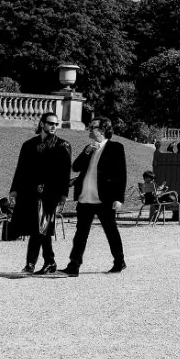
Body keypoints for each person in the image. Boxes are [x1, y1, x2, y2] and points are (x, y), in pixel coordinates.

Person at [10, 111, 72, 274]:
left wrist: (63, 196)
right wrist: (14, 190)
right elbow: (21, 169)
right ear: (42, 124)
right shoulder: (28, 145)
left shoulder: (62, 145)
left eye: (56, 124)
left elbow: (65, 174)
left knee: (40, 228)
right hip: (30, 193)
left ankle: (30, 264)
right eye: (51, 123)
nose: (53, 127)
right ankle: (50, 262)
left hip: (50, 194)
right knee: (39, 228)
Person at [64, 117, 127, 276]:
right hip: (85, 196)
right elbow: (76, 167)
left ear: (103, 130)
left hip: (104, 198)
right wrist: (86, 152)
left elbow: (121, 174)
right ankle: (74, 266)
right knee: (80, 234)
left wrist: (119, 198)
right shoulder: (89, 147)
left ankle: (119, 261)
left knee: (110, 230)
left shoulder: (116, 147)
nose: (90, 129)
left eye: (93, 127)